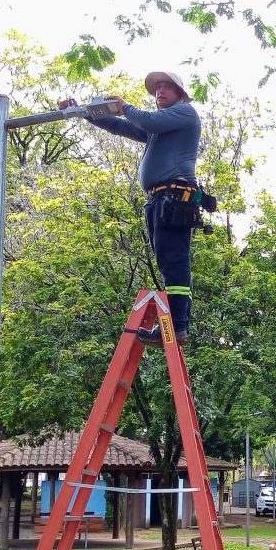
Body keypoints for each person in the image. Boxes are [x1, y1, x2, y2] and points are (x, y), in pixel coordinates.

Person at [59, 70, 201, 345]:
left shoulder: (185, 113)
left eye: (166, 87)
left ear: (180, 93)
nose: (160, 91)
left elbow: (146, 119)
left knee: (175, 262)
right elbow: (120, 126)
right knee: (167, 262)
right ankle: (174, 323)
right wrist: (82, 112)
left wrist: (126, 107)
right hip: (160, 199)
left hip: (174, 197)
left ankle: (178, 325)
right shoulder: (158, 128)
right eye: (157, 88)